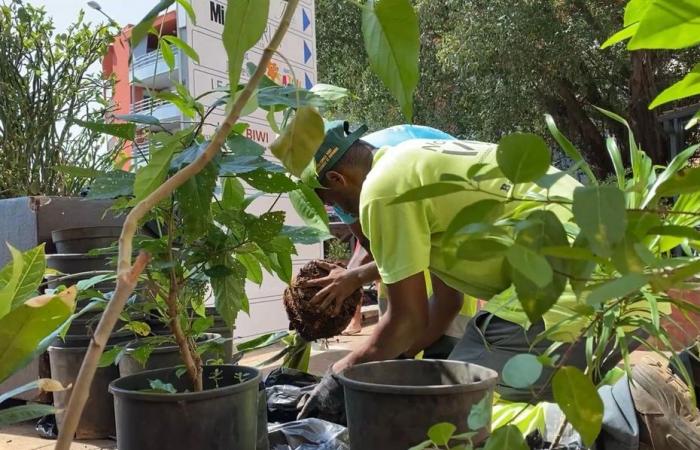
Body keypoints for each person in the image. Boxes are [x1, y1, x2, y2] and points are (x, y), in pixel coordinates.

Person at [298, 120, 700, 449]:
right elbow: (447, 303)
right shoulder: (410, 164)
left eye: (328, 199)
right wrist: (398, 366)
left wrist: (341, 373)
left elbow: (406, 318)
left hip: (559, 278)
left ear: (337, 177)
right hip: (615, 275)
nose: (334, 209)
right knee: (499, 380)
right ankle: (657, 392)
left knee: (457, 416)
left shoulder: (380, 192)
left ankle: (627, 413)